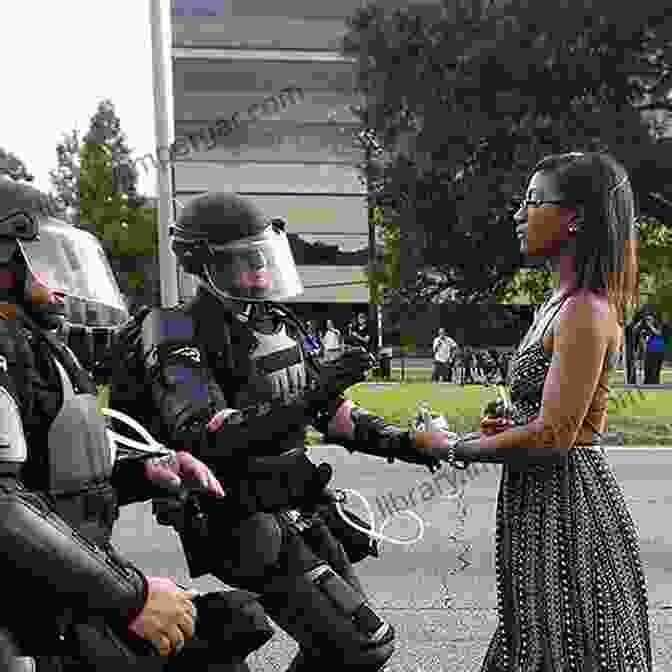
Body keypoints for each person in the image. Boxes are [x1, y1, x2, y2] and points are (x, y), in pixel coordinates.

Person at [113, 193, 448, 672]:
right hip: (239, 518)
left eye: (265, 259)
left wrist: (408, 443)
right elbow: (207, 434)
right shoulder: (174, 330)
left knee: (343, 645)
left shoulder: (276, 321)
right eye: (246, 263)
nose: (262, 274)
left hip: (300, 505)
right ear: (202, 264)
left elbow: (333, 414)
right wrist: (316, 393)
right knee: (362, 642)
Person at [0, 178, 269, 672]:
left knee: (233, 626)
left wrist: (146, 472)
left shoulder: (35, 346)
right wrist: (132, 594)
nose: (61, 282)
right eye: (45, 263)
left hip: (59, 590)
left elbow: (52, 483)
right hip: (21, 612)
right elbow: (4, 506)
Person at [415, 152, 652, 671]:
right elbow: (547, 417)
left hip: (567, 504)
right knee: (540, 638)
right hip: (539, 499)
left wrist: (454, 446)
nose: (517, 214)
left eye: (532, 201)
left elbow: (556, 435)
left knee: (569, 644)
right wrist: (509, 423)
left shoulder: (584, 308)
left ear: (576, 217)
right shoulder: (556, 302)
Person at [642, 312, 665, 384]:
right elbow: (644, 339)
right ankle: (647, 382)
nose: (648, 321)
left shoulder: (658, 325)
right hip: (649, 350)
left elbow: (658, 333)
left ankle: (655, 383)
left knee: (655, 368)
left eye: (649, 319)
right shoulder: (646, 328)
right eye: (647, 319)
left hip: (658, 350)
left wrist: (650, 326)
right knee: (647, 367)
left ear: (653, 319)